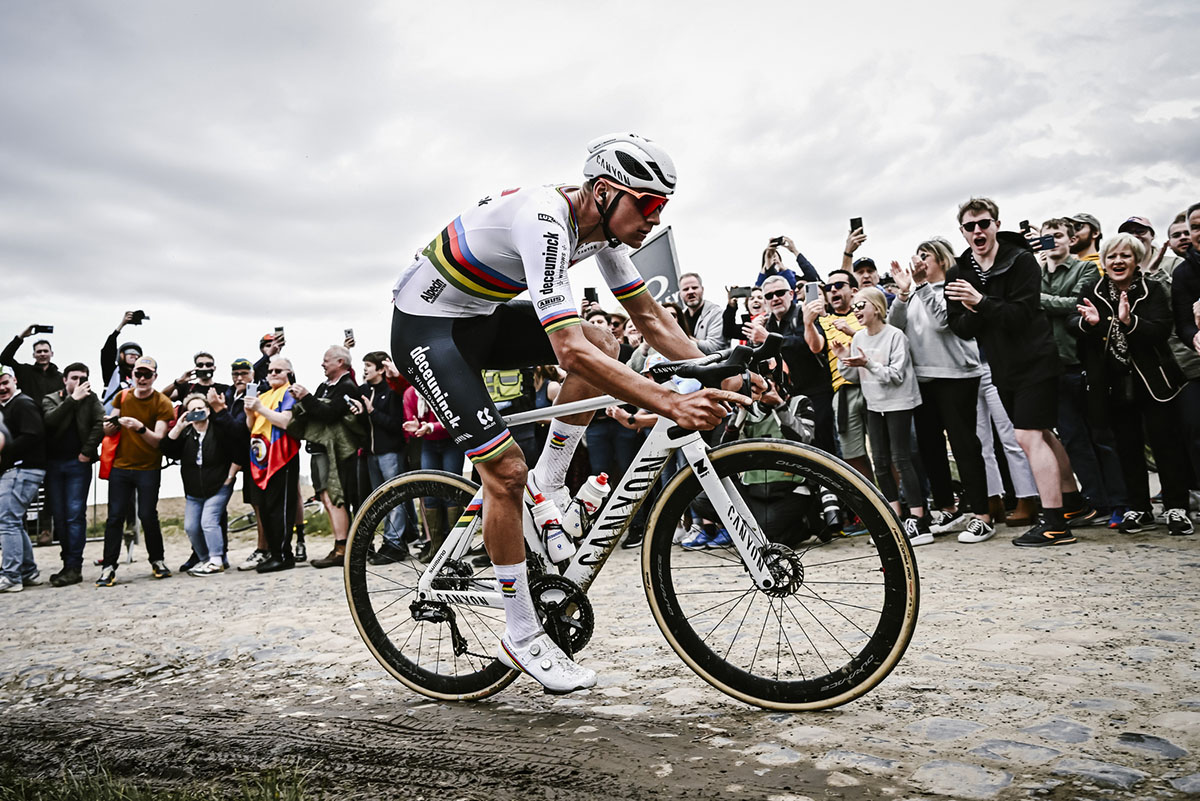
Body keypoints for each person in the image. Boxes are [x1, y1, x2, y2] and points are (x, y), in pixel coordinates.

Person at [388, 133, 748, 694]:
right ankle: (521, 632)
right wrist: (671, 401)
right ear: (605, 192)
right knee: (505, 472)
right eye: (648, 204)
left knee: (604, 337)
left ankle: (551, 483)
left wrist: (721, 370)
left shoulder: (601, 231)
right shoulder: (545, 220)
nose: (655, 218)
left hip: (479, 319)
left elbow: (651, 321)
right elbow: (566, 352)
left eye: (663, 208)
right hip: (428, 331)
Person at [946, 197, 1089, 547]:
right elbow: (960, 327)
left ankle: (1054, 523)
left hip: (1036, 358)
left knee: (1027, 436)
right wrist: (978, 309)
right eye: (970, 226)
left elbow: (1022, 314)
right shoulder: (959, 270)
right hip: (1002, 365)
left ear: (996, 224)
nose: (978, 231)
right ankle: (1072, 503)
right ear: (962, 232)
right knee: (1041, 432)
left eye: (984, 224)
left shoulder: (1020, 259)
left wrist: (979, 303)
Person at [1074, 233, 1191, 535]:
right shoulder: (1093, 290)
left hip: (1154, 380)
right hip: (1113, 382)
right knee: (1127, 447)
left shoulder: (1153, 289)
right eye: (1112, 256)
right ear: (1104, 261)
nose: (1118, 262)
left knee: (1167, 444)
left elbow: (1161, 330)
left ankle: (1177, 507)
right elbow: (1076, 329)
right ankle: (1138, 508)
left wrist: (1128, 322)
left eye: (1125, 256)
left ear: (1137, 260)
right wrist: (1089, 324)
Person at [888, 240, 993, 543]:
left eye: (926, 256)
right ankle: (948, 507)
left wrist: (921, 287)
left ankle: (982, 515)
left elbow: (944, 323)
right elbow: (895, 328)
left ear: (943, 260)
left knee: (963, 445)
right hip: (922, 378)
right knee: (930, 447)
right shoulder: (914, 293)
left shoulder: (954, 287)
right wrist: (905, 292)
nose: (919, 261)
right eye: (917, 256)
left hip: (957, 374)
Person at [1037, 217, 1124, 526]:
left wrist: (1037, 300)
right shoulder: (1035, 274)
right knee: (1073, 440)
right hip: (1050, 368)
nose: (1053, 241)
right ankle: (1096, 503)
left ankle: (1119, 504)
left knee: (1101, 436)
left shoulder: (1085, 269)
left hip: (1082, 364)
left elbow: (1076, 303)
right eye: (1046, 237)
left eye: (1058, 235)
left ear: (1070, 240)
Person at [833, 288, 930, 543]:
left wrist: (868, 364)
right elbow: (854, 377)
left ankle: (919, 520)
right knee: (881, 461)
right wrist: (845, 360)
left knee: (902, 458)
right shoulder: (859, 338)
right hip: (873, 404)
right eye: (854, 306)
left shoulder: (895, 336)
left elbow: (896, 375)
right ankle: (894, 518)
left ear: (876, 307)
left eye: (860, 305)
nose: (855, 310)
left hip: (899, 402)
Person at [96, 356, 176, 586]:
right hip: (121, 466)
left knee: (148, 515)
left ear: (155, 377)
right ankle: (108, 567)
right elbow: (108, 428)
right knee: (115, 517)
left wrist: (139, 428)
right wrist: (109, 426)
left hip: (148, 467)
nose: (142, 379)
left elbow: (158, 441)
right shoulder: (122, 396)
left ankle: (157, 560)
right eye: (138, 374)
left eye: (147, 375)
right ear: (131, 375)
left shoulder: (162, 402)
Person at [291, 346, 364, 569]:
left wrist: (306, 398)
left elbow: (329, 415)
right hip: (319, 450)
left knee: (335, 497)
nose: (322, 364)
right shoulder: (325, 386)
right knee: (325, 496)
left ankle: (343, 547)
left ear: (340, 362)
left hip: (337, 453)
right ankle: (340, 545)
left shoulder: (347, 387)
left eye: (326, 361)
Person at [161, 393, 242, 574]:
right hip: (193, 490)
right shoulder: (186, 433)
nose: (197, 412)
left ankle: (216, 559)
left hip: (219, 485)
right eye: (192, 410)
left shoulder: (219, 430)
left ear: (208, 410)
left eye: (201, 409)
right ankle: (206, 559)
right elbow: (167, 449)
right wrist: (179, 426)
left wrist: (230, 477)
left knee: (209, 521)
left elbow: (239, 452)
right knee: (191, 527)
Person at [41, 362, 104, 586]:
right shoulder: (51, 399)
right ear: (64, 380)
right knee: (59, 516)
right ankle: (67, 561)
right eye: (74, 377)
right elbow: (50, 421)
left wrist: (87, 453)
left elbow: (100, 423)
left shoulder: (92, 398)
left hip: (78, 464)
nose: (79, 382)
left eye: (83, 378)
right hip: (55, 464)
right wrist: (72, 400)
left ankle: (73, 567)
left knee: (75, 515)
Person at [349, 351, 411, 564]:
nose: (365, 369)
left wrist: (372, 411)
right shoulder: (364, 390)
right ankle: (390, 541)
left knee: (394, 499)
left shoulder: (392, 391)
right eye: (363, 365)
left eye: (368, 365)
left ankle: (394, 544)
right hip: (371, 454)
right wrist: (359, 412)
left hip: (391, 452)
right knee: (381, 500)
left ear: (381, 369)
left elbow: (395, 424)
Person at [816, 269, 875, 484]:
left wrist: (853, 332)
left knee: (883, 451)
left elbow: (881, 340)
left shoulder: (867, 312)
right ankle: (873, 501)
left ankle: (898, 503)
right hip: (842, 391)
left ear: (854, 290)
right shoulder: (823, 321)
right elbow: (813, 346)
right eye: (829, 288)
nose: (833, 290)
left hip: (873, 384)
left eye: (839, 285)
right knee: (852, 453)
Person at [245, 356, 302, 571]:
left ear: (289, 372)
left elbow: (285, 421)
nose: (273, 374)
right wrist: (250, 412)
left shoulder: (289, 392)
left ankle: (284, 554)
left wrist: (259, 407)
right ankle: (274, 551)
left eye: (279, 370)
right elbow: (251, 426)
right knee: (267, 507)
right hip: (262, 457)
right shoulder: (265, 395)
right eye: (270, 371)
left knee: (281, 507)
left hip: (282, 456)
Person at [0, 371, 46, 593]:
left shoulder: (23, 404)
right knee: (14, 522)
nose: (1, 388)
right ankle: (28, 572)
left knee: (7, 521)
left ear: (14, 380)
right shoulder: (8, 406)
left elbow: (33, 434)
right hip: (20, 470)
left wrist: (4, 451)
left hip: (23, 469)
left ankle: (11, 576)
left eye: (4, 382)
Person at [1, 329, 62, 404]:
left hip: (52, 414)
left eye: (45, 351)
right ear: (34, 355)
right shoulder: (24, 371)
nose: (42, 354)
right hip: (29, 413)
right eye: (39, 351)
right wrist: (20, 337)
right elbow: (4, 359)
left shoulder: (60, 377)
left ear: (52, 353)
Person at [99, 312, 144, 412]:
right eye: (130, 352)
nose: (134, 355)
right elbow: (107, 352)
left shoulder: (142, 376)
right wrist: (121, 325)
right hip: (109, 417)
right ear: (121, 355)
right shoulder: (112, 372)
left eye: (137, 354)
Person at [677, 272, 730, 355]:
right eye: (685, 289)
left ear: (702, 289)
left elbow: (714, 347)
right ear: (680, 294)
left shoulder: (716, 313)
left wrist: (684, 338)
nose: (690, 291)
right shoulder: (679, 316)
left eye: (694, 287)